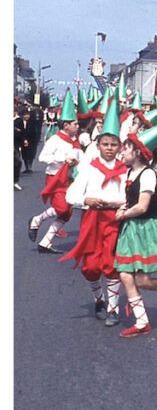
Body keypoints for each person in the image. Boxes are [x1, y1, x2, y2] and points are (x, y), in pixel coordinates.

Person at [59, 95, 126, 325]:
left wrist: (119, 204)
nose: (109, 149)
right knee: (90, 267)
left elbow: (130, 197)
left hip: (114, 220)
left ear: (119, 147)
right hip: (92, 220)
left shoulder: (124, 170)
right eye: (105, 144)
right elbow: (71, 194)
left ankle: (113, 309)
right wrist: (87, 199)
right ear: (98, 146)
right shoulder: (89, 168)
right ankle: (98, 299)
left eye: (113, 145)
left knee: (111, 264)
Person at [113, 119, 157, 338]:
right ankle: (142, 321)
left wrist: (123, 213)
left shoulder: (148, 175)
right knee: (125, 275)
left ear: (138, 152)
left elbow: (143, 206)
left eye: (126, 148)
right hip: (131, 227)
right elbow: (131, 199)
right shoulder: (130, 173)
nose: (121, 152)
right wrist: (122, 206)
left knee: (141, 280)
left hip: (145, 228)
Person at [27, 90, 81, 253]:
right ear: (66, 125)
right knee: (62, 208)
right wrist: (62, 159)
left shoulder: (75, 142)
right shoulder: (55, 139)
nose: (77, 127)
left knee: (66, 214)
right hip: (56, 177)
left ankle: (46, 242)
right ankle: (36, 219)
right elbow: (43, 158)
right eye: (75, 124)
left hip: (70, 179)